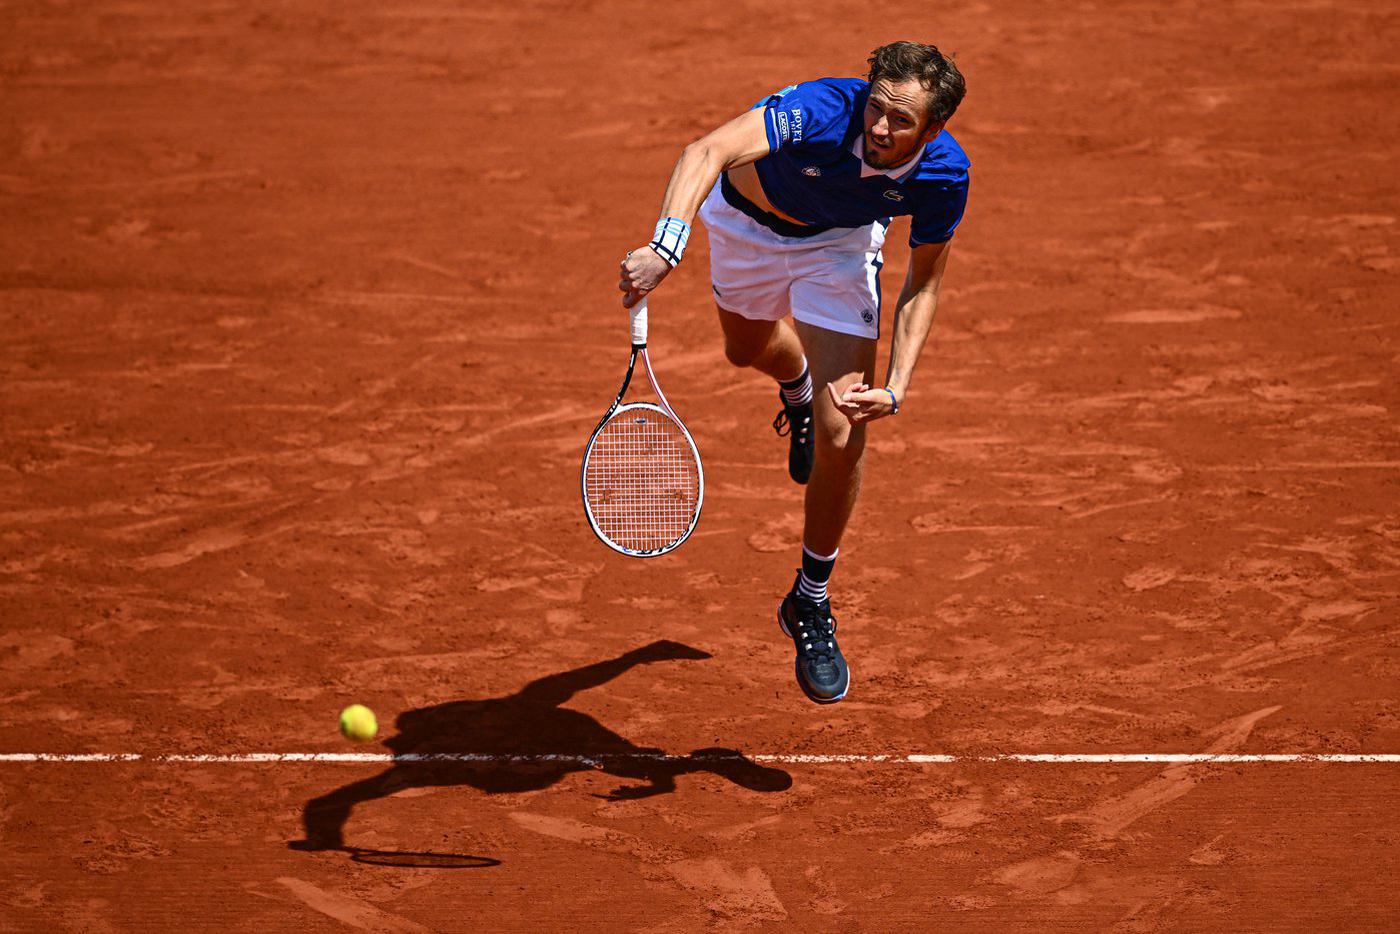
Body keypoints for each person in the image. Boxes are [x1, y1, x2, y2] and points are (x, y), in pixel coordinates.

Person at [619, 41, 969, 704]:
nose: (880, 127)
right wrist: (667, 245)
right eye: (878, 108)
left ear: (934, 127)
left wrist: (898, 383)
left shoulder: (944, 175)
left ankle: (810, 597)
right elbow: (706, 151)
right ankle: (797, 387)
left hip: (838, 251)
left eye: (902, 120)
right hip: (744, 228)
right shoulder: (822, 109)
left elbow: (924, 282)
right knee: (744, 350)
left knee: (844, 434)